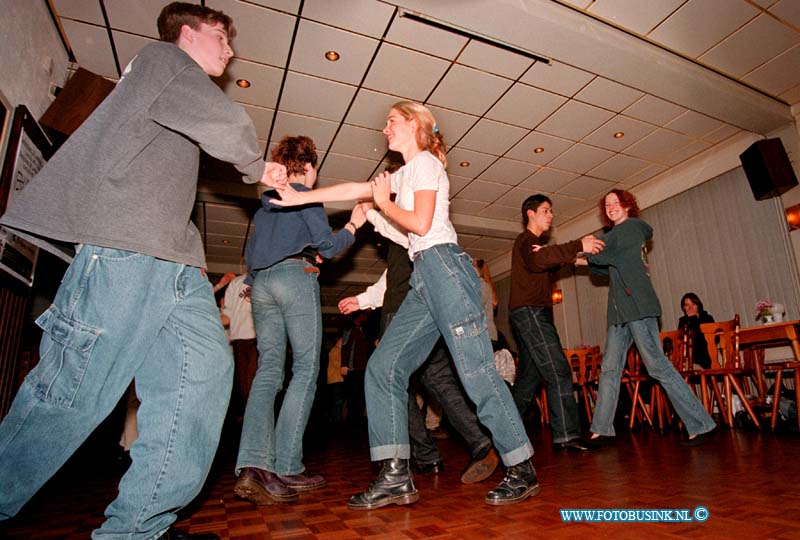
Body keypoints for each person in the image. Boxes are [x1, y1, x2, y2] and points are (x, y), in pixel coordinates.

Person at [0, 3, 287, 539]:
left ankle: (137, 528)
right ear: (186, 34)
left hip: (177, 262)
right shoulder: (162, 60)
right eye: (221, 36)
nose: (230, 49)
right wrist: (256, 164)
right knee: (75, 392)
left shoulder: (167, 87)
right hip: (125, 252)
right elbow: (221, 121)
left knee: (202, 378)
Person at [272, 101, 537, 508]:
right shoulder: (405, 173)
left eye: (391, 121)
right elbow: (359, 197)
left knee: (476, 372)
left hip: (446, 270)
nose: (384, 129)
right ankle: (395, 474)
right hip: (423, 277)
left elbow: (422, 224)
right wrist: (300, 197)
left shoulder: (427, 164)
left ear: (414, 124)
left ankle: (521, 467)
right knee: (383, 369)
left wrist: (384, 203)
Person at [233, 135, 367, 506]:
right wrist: (354, 225)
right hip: (294, 278)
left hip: (261, 285)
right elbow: (329, 247)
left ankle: (254, 465)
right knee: (307, 368)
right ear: (308, 167)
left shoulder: (265, 208)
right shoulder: (306, 196)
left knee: (269, 370)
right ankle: (288, 464)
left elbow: (253, 256)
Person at [339, 206, 499, 484]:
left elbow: (396, 277)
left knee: (390, 381)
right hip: (427, 311)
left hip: (403, 313)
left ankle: (425, 455)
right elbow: (394, 275)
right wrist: (363, 300)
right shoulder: (419, 230)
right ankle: (482, 443)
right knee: (439, 379)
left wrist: (374, 211)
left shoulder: (409, 221)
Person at [585, 190, 717, 447]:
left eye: (616, 202)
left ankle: (701, 423)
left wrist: (586, 248)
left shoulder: (632, 228)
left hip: (639, 308)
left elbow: (606, 254)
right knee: (610, 369)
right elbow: (600, 265)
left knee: (656, 365)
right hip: (620, 314)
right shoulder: (615, 239)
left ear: (627, 206)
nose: (611, 207)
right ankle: (602, 429)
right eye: (607, 204)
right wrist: (562, 255)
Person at [509, 194, 605, 451]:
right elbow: (541, 260)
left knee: (529, 379)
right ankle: (566, 436)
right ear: (530, 213)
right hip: (530, 312)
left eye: (551, 211)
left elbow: (556, 259)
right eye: (545, 210)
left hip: (530, 313)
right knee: (558, 370)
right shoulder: (526, 240)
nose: (550, 215)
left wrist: (590, 258)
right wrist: (578, 243)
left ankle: (503, 431)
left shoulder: (537, 247)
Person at [221, 273, 258, 417]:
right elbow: (227, 316)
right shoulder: (236, 283)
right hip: (239, 339)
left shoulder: (267, 276)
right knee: (243, 384)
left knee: (254, 382)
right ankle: (249, 417)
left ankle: (254, 416)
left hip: (259, 337)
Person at [677, 292, 715, 369]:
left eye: (693, 304)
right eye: (687, 305)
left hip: (706, 356)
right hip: (689, 357)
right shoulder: (683, 321)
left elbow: (702, 340)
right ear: (683, 308)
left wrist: (693, 319)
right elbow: (681, 341)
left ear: (698, 305)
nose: (690, 308)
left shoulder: (707, 318)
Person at [473, 258, 499, 346]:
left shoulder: (481, 285)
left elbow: (475, 306)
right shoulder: (484, 285)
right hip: (487, 335)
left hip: (485, 335)